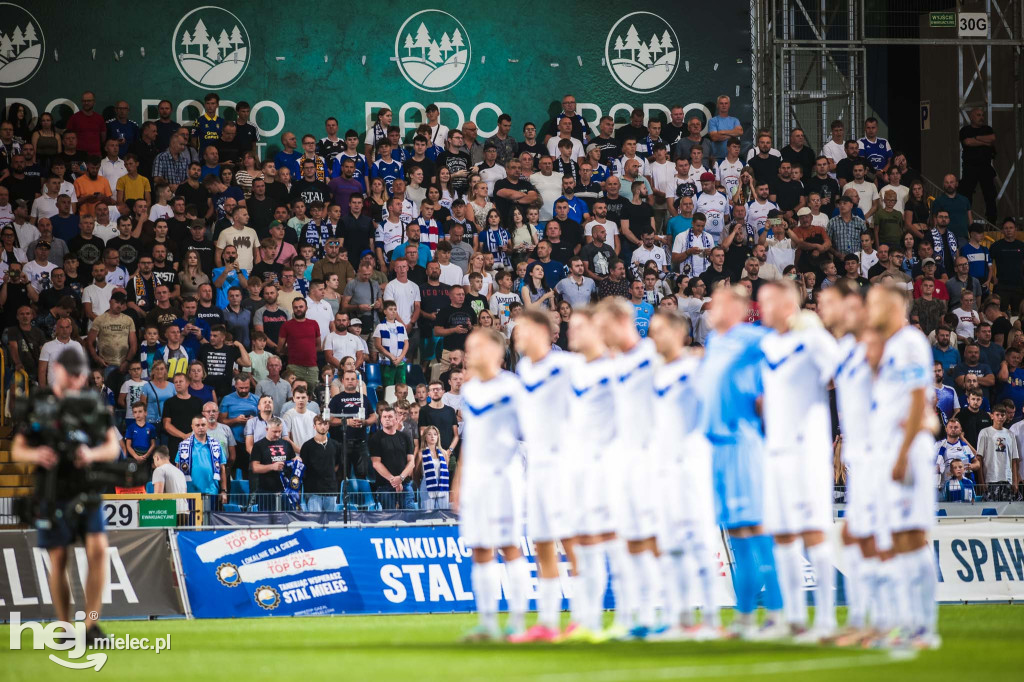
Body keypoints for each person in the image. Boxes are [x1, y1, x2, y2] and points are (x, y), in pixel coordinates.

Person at [12, 348, 121, 642]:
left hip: (87, 487)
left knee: (98, 551)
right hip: (52, 489)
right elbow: (18, 449)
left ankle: (92, 623)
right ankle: (65, 627)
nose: (75, 379)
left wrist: (91, 452)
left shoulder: (90, 402)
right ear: (57, 370)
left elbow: (113, 447)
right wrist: (37, 453)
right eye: (70, 373)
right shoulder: (40, 402)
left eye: (79, 374)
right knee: (59, 559)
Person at [696, 283, 783, 638]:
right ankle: (746, 618)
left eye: (718, 303)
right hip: (717, 447)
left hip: (743, 441)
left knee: (756, 528)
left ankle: (779, 614)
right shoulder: (715, 342)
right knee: (737, 533)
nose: (711, 308)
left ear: (736, 307)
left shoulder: (750, 337)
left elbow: (780, 354)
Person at [758, 280, 839, 640]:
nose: (762, 309)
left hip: (807, 450)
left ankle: (825, 619)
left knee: (813, 531)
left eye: (767, 302)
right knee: (783, 536)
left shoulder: (814, 338)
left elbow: (841, 374)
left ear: (787, 305)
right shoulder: (769, 344)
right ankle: (793, 618)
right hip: (775, 450)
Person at [866, 283, 940, 649]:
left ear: (895, 306)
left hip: (908, 450)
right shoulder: (891, 348)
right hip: (892, 449)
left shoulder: (910, 342)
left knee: (912, 536)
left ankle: (924, 627)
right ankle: (908, 624)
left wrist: (901, 453)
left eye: (877, 304)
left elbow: (916, 402)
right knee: (898, 537)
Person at [451, 327, 530, 641]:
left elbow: (529, 432)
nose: (469, 355)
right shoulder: (469, 391)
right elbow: (469, 440)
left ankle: (518, 623)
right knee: (480, 549)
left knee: (510, 546)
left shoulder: (512, 387)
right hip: (476, 479)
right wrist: (459, 480)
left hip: (505, 476)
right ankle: (487, 624)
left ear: (496, 352)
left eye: (475, 348)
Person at [505, 310, 576, 642]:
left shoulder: (565, 366)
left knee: (574, 542)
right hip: (537, 463)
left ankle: (585, 618)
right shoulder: (524, 368)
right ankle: (547, 623)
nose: (516, 337)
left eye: (522, 332)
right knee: (543, 542)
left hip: (563, 461)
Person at [328, 369, 377, 479]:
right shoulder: (336, 399)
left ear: (357, 382)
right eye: (347, 379)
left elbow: (373, 416)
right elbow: (329, 419)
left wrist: (365, 422)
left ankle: (359, 496)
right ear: (343, 381)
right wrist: (346, 422)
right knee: (342, 476)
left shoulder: (363, 398)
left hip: (361, 442)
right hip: (341, 443)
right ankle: (343, 496)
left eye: (353, 379)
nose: (350, 381)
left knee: (362, 476)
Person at [176, 414, 229, 508]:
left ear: (207, 425)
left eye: (203, 425)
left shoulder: (216, 445)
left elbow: (222, 469)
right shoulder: (183, 446)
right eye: (197, 425)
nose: (200, 427)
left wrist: (223, 491)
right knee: (192, 522)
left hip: (212, 492)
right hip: (190, 493)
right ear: (192, 427)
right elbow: (177, 469)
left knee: (209, 521)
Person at [368, 406, 415, 510]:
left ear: (396, 419)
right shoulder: (375, 438)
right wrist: (394, 481)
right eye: (384, 417)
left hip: (405, 484)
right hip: (385, 485)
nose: (387, 419)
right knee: (388, 518)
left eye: (390, 416)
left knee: (411, 516)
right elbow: (376, 463)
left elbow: (411, 462)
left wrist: (401, 478)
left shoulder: (405, 437)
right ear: (381, 420)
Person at [958, 107, 998, 223]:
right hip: (970, 167)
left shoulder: (987, 129)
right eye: (978, 115)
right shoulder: (965, 130)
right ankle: (966, 221)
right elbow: (967, 142)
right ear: (971, 117)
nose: (981, 117)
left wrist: (977, 138)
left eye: (982, 115)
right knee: (966, 194)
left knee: (990, 195)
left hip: (985, 166)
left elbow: (992, 138)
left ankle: (992, 222)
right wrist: (984, 142)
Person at [249, 417, 297, 511]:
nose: (278, 434)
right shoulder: (259, 445)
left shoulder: (286, 444)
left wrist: (296, 460)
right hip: (266, 490)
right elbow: (255, 467)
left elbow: (293, 459)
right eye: (274, 431)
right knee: (266, 521)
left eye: (280, 431)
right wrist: (272, 466)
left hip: (285, 490)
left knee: (287, 520)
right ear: (267, 429)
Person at [976, 404, 1021, 501]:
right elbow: (979, 458)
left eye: (1003, 415)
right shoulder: (985, 432)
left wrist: (1015, 481)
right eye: (997, 415)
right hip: (990, 479)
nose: (1000, 417)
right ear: (992, 416)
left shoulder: (1010, 434)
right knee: (991, 511)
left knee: (1006, 511)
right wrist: (981, 481)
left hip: (1007, 479)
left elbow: (1014, 460)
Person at [300, 415, 339, 512]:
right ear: (314, 426)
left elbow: (337, 465)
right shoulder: (307, 446)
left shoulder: (336, 445)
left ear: (328, 425)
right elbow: (303, 468)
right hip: (313, 491)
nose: (323, 426)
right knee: (315, 522)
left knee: (331, 522)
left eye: (325, 423)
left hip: (331, 490)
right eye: (320, 424)